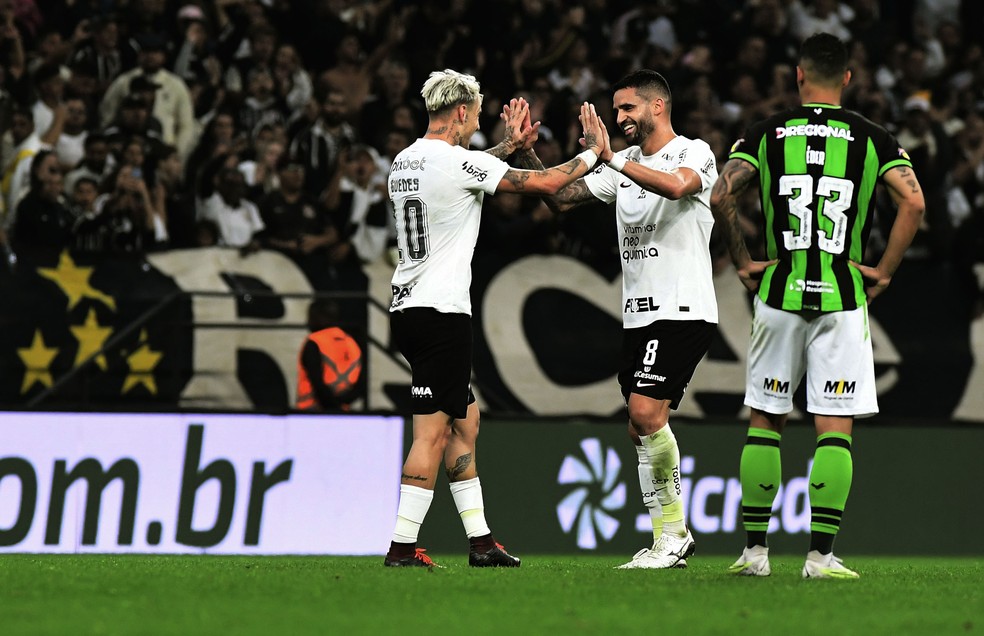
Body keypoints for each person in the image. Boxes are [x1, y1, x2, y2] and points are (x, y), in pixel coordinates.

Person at [709, 32, 925, 579]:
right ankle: (820, 558)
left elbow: (721, 194)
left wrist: (743, 261)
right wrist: (884, 271)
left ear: (799, 76)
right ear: (847, 78)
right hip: (842, 296)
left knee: (766, 420)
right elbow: (914, 201)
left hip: (779, 292)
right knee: (834, 428)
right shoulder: (873, 137)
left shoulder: (766, 132)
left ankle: (755, 554)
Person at [383, 68, 607, 568]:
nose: (478, 124)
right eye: (477, 116)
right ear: (462, 111)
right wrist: (595, 151)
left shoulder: (405, 160)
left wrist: (509, 147)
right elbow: (549, 182)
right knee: (431, 434)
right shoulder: (455, 162)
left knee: (465, 422)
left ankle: (481, 543)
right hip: (440, 313)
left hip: (408, 307)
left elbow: (461, 168)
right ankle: (401, 547)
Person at [524, 69, 719, 569]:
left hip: (682, 307)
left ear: (658, 106)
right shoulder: (623, 162)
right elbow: (560, 199)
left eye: (628, 108)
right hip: (637, 316)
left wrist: (610, 157)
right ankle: (664, 539)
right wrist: (526, 152)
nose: (620, 117)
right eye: (616, 111)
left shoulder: (693, 152)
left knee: (646, 414)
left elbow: (677, 188)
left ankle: (675, 536)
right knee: (639, 428)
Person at [295, 299, 362, 412]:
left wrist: (331, 406)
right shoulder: (351, 343)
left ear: (318, 318)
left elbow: (317, 382)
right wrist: (341, 406)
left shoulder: (314, 342)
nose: (308, 322)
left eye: (310, 317)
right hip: (343, 412)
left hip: (311, 411)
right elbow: (361, 384)